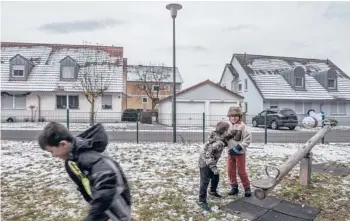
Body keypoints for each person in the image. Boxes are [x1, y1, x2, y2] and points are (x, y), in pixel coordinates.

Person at [37, 122, 132, 221]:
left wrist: (93, 216)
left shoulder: (88, 157)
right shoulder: (73, 158)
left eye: (52, 151)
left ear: (63, 144)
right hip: (103, 204)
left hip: (113, 203)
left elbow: (107, 188)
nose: (53, 155)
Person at [198, 121, 233, 211]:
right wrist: (213, 168)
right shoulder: (218, 143)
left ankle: (212, 191)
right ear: (224, 131)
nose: (229, 131)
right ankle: (202, 201)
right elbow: (208, 155)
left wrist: (230, 136)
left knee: (215, 176)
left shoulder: (217, 135)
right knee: (205, 181)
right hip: (205, 162)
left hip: (209, 161)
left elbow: (223, 138)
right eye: (228, 130)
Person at [226, 106, 252, 197]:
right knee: (230, 170)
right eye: (231, 116)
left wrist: (238, 148)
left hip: (240, 153)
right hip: (230, 153)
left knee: (241, 171)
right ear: (229, 117)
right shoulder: (227, 126)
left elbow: (248, 139)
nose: (233, 118)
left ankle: (247, 188)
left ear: (240, 116)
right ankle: (234, 187)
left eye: (236, 116)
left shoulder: (243, 127)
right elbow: (222, 136)